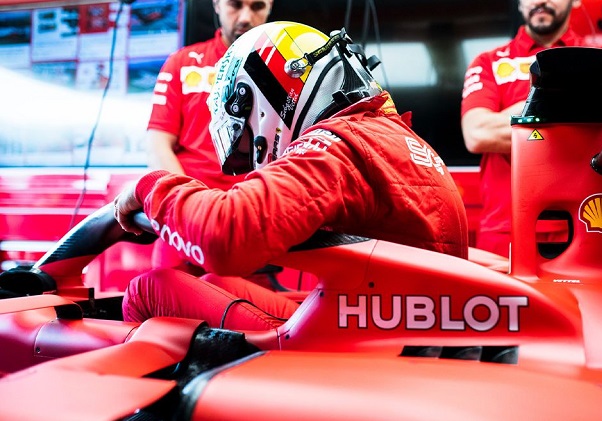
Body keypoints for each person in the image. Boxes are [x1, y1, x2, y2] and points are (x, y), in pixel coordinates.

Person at [113, 21, 469, 331]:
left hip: (369, 339)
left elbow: (225, 236)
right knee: (216, 281)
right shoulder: (386, 133)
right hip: (391, 320)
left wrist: (150, 187)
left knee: (148, 290)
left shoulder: (338, 145)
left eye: (248, 133)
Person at [460, 0, 602, 258]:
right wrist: (577, 105)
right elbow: (477, 133)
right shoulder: (489, 61)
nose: (539, 1)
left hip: (587, 224)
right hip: (507, 228)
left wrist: (525, 115)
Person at [147, 0, 272, 271]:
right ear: (216, 4)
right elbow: (158, 144)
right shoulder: (183, 63)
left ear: (270, 6)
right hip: (183, 224)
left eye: (257, 6)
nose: (245, 17)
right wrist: (192, 207)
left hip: (252, 228)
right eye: (235, 5)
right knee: (158, 294)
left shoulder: (286, 70)